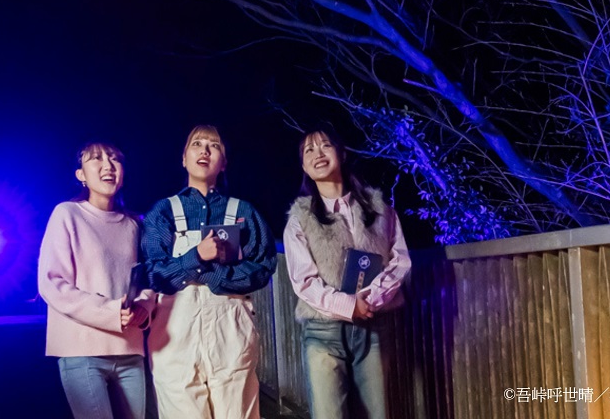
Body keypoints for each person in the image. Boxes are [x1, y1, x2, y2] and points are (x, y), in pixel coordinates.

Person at [141, 124, 277, 419]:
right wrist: (197, 257)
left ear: (223, 162)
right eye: (197, 144)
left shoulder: (244, 212)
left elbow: (263, 269)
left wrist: (210, 275)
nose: (204, 150)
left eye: (214, 146)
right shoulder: (163, 211)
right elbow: (154, 274)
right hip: (175, 330)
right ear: (183, 158)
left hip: (230, 328)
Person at [283, 127, 411, 419]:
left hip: (373, 326)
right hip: (323, 332)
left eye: (325, 145)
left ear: (341, 153)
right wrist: (349, 305)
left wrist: (372, 299)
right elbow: (304, 281)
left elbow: (400, 260)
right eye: (309, 150)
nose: (318, 154)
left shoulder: (380, 210)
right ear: (304, 166)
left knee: (378, 413)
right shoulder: (300, 219)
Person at [37, 142, 156, 419]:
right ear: (81, 174)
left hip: (129, 348)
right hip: (81, 348)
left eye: (115, 159)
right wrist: (110, 312)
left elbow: (148, 280)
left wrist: (143, 308)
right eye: (97, 159)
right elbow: (52, 282)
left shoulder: (134, 224)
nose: (108, 166)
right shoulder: (67, 213)